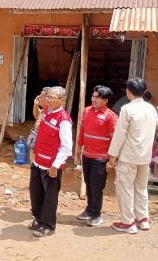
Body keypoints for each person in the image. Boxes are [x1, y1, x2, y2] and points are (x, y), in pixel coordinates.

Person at [107, 78, 157, 234]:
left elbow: (119, 134)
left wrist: (112, 156)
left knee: (125, 189)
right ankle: (142, 219)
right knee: (141, 188)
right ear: (143, 92)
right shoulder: (151, 109)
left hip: (129, 156)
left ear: (128, 92)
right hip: (145, 156)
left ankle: (128, 222)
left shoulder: (127, 109)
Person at [28, 86, 72, 237]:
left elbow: (66, 147)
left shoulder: (64, 120)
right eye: (47, 97)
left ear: (61, 100)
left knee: (50, 197)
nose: (47, 100)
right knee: (36, 193)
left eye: (51, 98)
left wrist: (55, 165)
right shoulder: (47, 111)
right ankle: (39, 219)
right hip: (38, 161)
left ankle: (48, 225)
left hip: (50, 166)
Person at [74, 85, 118, 227]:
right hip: (87, 155)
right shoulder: (87, 111)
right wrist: (78, 150)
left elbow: (114, 140)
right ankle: (89, 209)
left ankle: (96, 214)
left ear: (105, 100)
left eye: (97, 97)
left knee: (96, 186)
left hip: (100, 158)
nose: (93, 99)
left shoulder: (111, 117)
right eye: (93, 96)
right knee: (88, 183)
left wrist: (111, 160)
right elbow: (82, 132)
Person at [27, 87, 49, 161]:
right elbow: (36, 116)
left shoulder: (51, 112)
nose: (39, 99)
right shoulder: (44, 110)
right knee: (32, 155)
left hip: (42, 140)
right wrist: (36, 105)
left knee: (37, 160)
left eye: (41, 98)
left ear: (48, 99)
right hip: (36, 135)